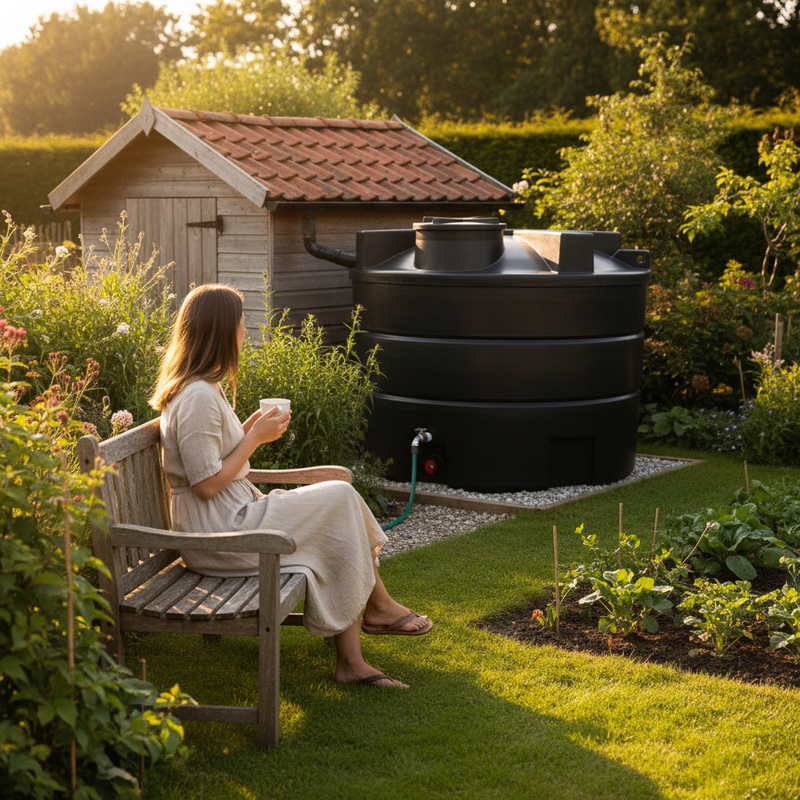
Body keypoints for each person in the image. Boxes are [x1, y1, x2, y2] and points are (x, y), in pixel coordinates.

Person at [149, 283, 431, 689]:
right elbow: (207, 484)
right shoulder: (196, 396)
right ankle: (377, 613)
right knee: (339, 496)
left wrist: (248, 429)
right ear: (221, 331)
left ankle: (358, 649)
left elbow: (212, 459)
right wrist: (254, 439)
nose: (245, 332)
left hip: (233, 518)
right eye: (242, 324)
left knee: (337, 500)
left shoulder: (203, 387)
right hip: (218, 533)